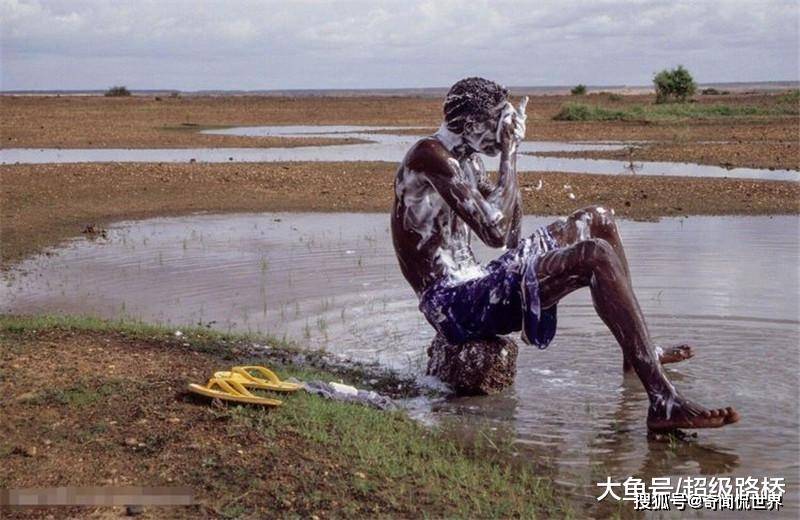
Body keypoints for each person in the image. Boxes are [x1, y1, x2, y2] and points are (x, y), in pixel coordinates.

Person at [390, 77, 739, 432]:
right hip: (452, 304)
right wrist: (510, 152)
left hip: (477, 283)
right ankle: (663, 401)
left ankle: (638, 355)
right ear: (471, 125)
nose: (502, 129)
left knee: (599, 220)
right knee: (594, 255)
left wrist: (513, 158)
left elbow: (511, 232)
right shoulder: (429, 156)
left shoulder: (470, 164)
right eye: (496, 122)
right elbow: (494, 233)